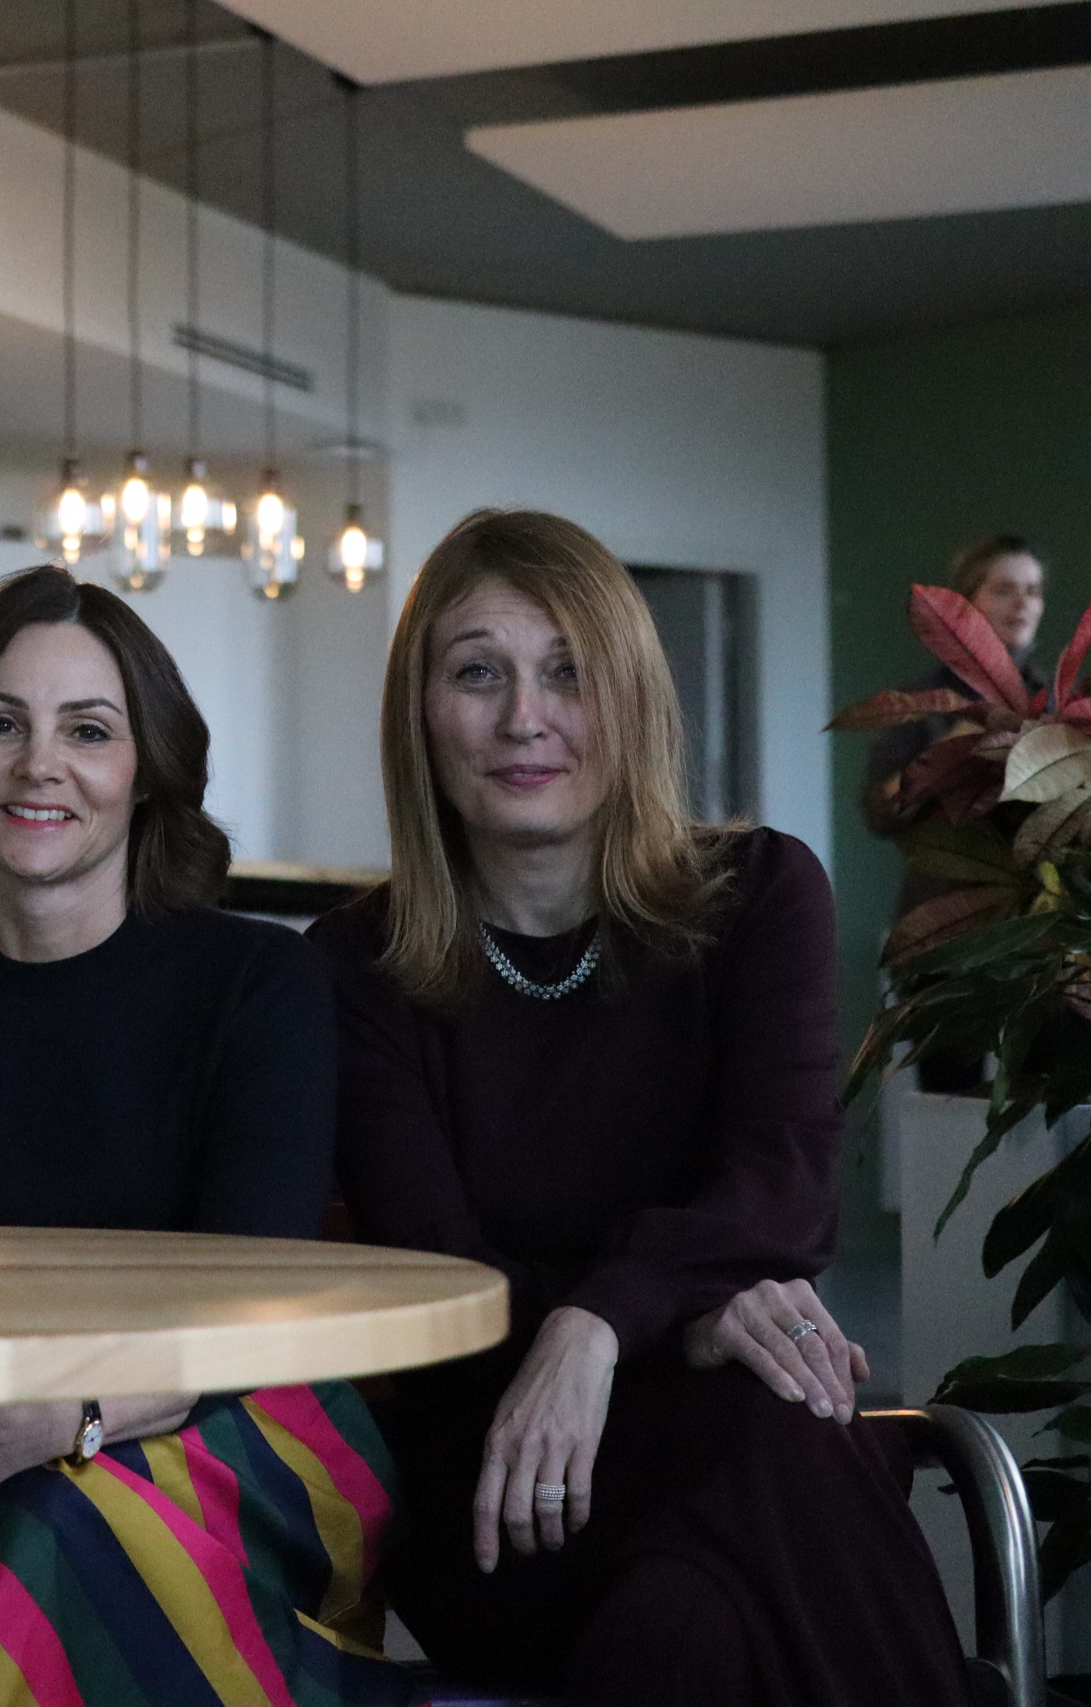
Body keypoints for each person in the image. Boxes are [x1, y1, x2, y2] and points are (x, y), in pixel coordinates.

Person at [308, 509, 967, 1704]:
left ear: (632, 698)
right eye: (478, 673)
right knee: (781, 1433)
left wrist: (597, 1323)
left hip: (718, 1456)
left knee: (682, 1632)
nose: (525, 717)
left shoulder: (759, 895)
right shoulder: (355, 967)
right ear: (420, 713)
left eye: (568, 671)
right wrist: (682, 1313)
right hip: (505, 1482)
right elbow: (444, 1282)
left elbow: (782, 1187)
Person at [0, 566, 409, 1707]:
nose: (40, 764)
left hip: (237, 1420)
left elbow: (241, 1308)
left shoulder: (260, 980)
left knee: (50, 1523)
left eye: (87, 730)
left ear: (145, 768)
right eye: (0, 725)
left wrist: (49, 1423)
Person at [861, 534, 1047, 1089]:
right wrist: (950, 748)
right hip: (948, 929)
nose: (1023, 604)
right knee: (948, 1105)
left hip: (1042, 934)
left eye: (1034, 591)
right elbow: (879, 810)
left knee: (1042, 1100)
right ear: (965, 605)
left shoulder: (1057, 705)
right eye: (1005, 589)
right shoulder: (921, 702)